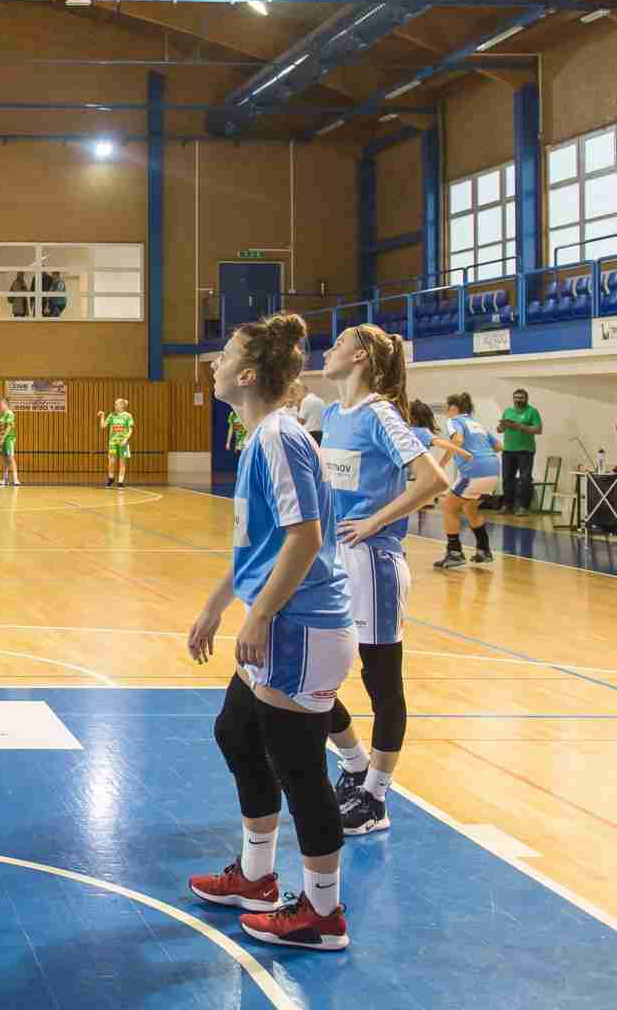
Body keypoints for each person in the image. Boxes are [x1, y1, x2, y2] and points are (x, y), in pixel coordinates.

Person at [187, 312, 353, 951]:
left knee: (299, 768)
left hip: (300, 625)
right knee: (236, 732)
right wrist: (217, 604)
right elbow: (260, 546)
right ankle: (256, 878)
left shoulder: (278, 437)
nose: (215, 363)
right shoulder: (261, 435)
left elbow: (304, 538)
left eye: (226, 355)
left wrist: (258, 615)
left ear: (250, 375)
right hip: (281, 620)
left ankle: (322, 913)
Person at [315, 326, 450, 838]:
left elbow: (434, 479)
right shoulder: (334, 414)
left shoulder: (381, 414)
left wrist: (375, 521)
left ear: (361, 355)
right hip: (333, 560)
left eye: (338, 343)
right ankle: (354, 765)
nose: (329, 350)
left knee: (382, 685)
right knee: (310, 676)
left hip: (373, 564)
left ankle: (375, 797)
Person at [436, 392, 502, 569]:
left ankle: (454, 553)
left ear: (454, 408)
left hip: (475, 471)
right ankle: (484, 550)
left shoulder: (454, 421)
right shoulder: (477, 424)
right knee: (469, 508)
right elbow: (499, 446)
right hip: (493, 472)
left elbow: (457, 440)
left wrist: (441, 464)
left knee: (448, 507)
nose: (447, 412)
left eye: (447, 408)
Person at [496, 389, 543, 514]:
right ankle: (507, 505)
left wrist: (521, 427)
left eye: (521, 397)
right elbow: (500, 429)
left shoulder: (532, 411)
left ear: (526, 399)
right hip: (508, 450)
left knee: (525, 479)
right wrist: (501, 427)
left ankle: (524, 507)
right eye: (516, 397)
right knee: (507, 478)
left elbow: (538, 429)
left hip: (525, 451)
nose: (518, 400)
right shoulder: (508, 411)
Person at [99, 398, 134, 488]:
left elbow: (130, 430)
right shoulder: (112, 415)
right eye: (114, 404)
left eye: (116, 404)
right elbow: (103, 426)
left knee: (122, 463)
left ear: (121, 405)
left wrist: (125, 439)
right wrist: (102, 416)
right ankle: (111, 479)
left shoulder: (128, 416)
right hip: (113, 443)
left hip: (123, 443)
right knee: (111, 462)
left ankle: (120, 482)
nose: (114, 406)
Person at [295, 380, 327, 446]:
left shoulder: (305, 400)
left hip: (310, 433)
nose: (297, 394)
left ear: (304, 390)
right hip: (321, 433)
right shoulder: (320, 400)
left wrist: (298, 407)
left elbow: (301, 422)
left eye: (298, 391)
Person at [0, 398, 20, 487]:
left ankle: (16, 479)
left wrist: (3, 438)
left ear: (5, 404)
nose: (1, 406)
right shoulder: (3, 414)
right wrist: (0, 439)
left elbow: (9, 427)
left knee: (11, 458)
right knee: (5, 460)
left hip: (9, 439)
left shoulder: (10, 413)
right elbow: (1, 428)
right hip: (3, 439)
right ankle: (5, 479)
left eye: (1, 404)